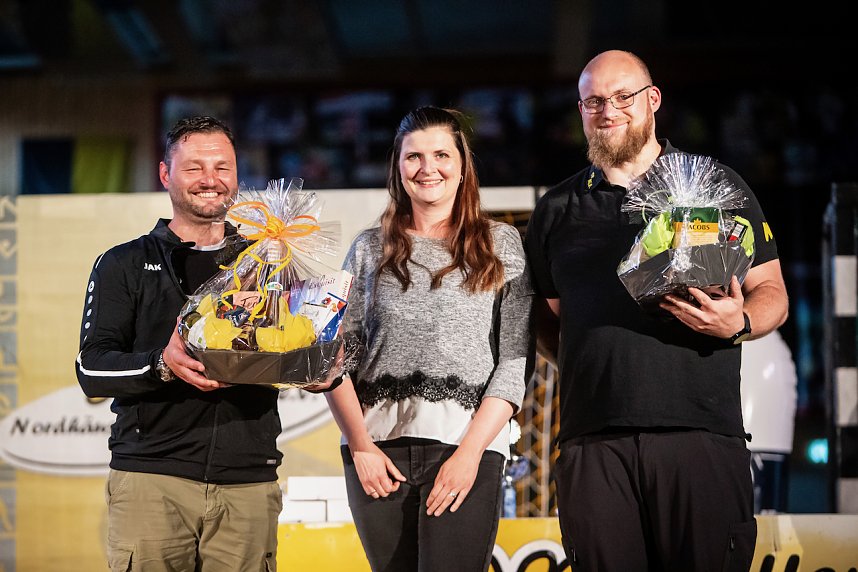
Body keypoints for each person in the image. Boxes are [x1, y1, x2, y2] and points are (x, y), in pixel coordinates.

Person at [524, 50, 789, 572]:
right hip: (594, 443)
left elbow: (772, 291)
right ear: (581, 110)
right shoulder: (557, 209)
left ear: (653, 100)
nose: (609, 109)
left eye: (624, 96)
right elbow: (547, 320)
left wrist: (739, 323)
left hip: (701, 435)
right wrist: (589, 361)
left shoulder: (715, 188)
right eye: (594, 100)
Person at [75, 116, 334, 571]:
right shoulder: (124, 263)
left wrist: (312, 368)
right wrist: (162, 363)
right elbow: (91, 368)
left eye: (223, 168)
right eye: (194, 167)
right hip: (151, 480)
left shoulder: (268, 260)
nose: (210, 180)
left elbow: (291, 343)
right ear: (165, 174)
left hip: (248, 482)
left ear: (237, 176)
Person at [324, 106, 533, 572]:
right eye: (413, 156)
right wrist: (359, 445)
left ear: (462, 167)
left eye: (441, 154)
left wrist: (470, 454)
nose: (427, 167)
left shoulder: (502, 244)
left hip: (466, 449)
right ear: (398, 169)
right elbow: (335, 357)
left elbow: (515, 360)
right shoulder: (367, 248)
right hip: (378, 454)